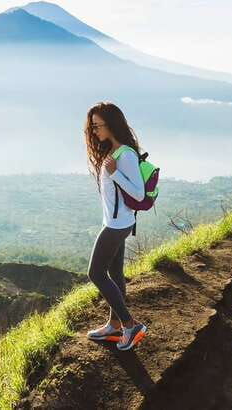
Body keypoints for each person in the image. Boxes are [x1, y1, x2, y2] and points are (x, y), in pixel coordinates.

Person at [83, 101, 148, 351]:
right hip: (116, 221)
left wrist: (115, 173)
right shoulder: (114, 151)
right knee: (115, 274)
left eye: (98, 126)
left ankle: (130, 325)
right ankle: (114, 325)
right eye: (92, 127)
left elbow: (139, 194)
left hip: (117, 225)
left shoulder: (126, 155)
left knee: (95, 273)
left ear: (111, 125)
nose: (95, 131)